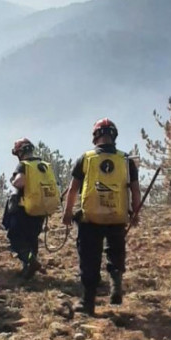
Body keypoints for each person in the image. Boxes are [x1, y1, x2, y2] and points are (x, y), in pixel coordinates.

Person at [62, 119, 141, 315]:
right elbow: (136, 190)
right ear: (114, 136)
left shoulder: (86, 158)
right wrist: (135, 212)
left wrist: (67, 212)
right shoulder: (126, 161)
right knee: (116, 251)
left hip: (90, 218)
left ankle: (88, 303)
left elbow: (73, 189)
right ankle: (115, 284)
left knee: (89, 258)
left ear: (95, 136)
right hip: (117, 215)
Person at [4, 138, 57, 278]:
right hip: (41, 209)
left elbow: (19, 182)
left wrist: (13, 180)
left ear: (20, 152)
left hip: (24, 209)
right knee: (32, 238)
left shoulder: (24, 165)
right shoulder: (44, 165)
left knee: (16, 238)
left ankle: (30, 260)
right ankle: (28, 268)